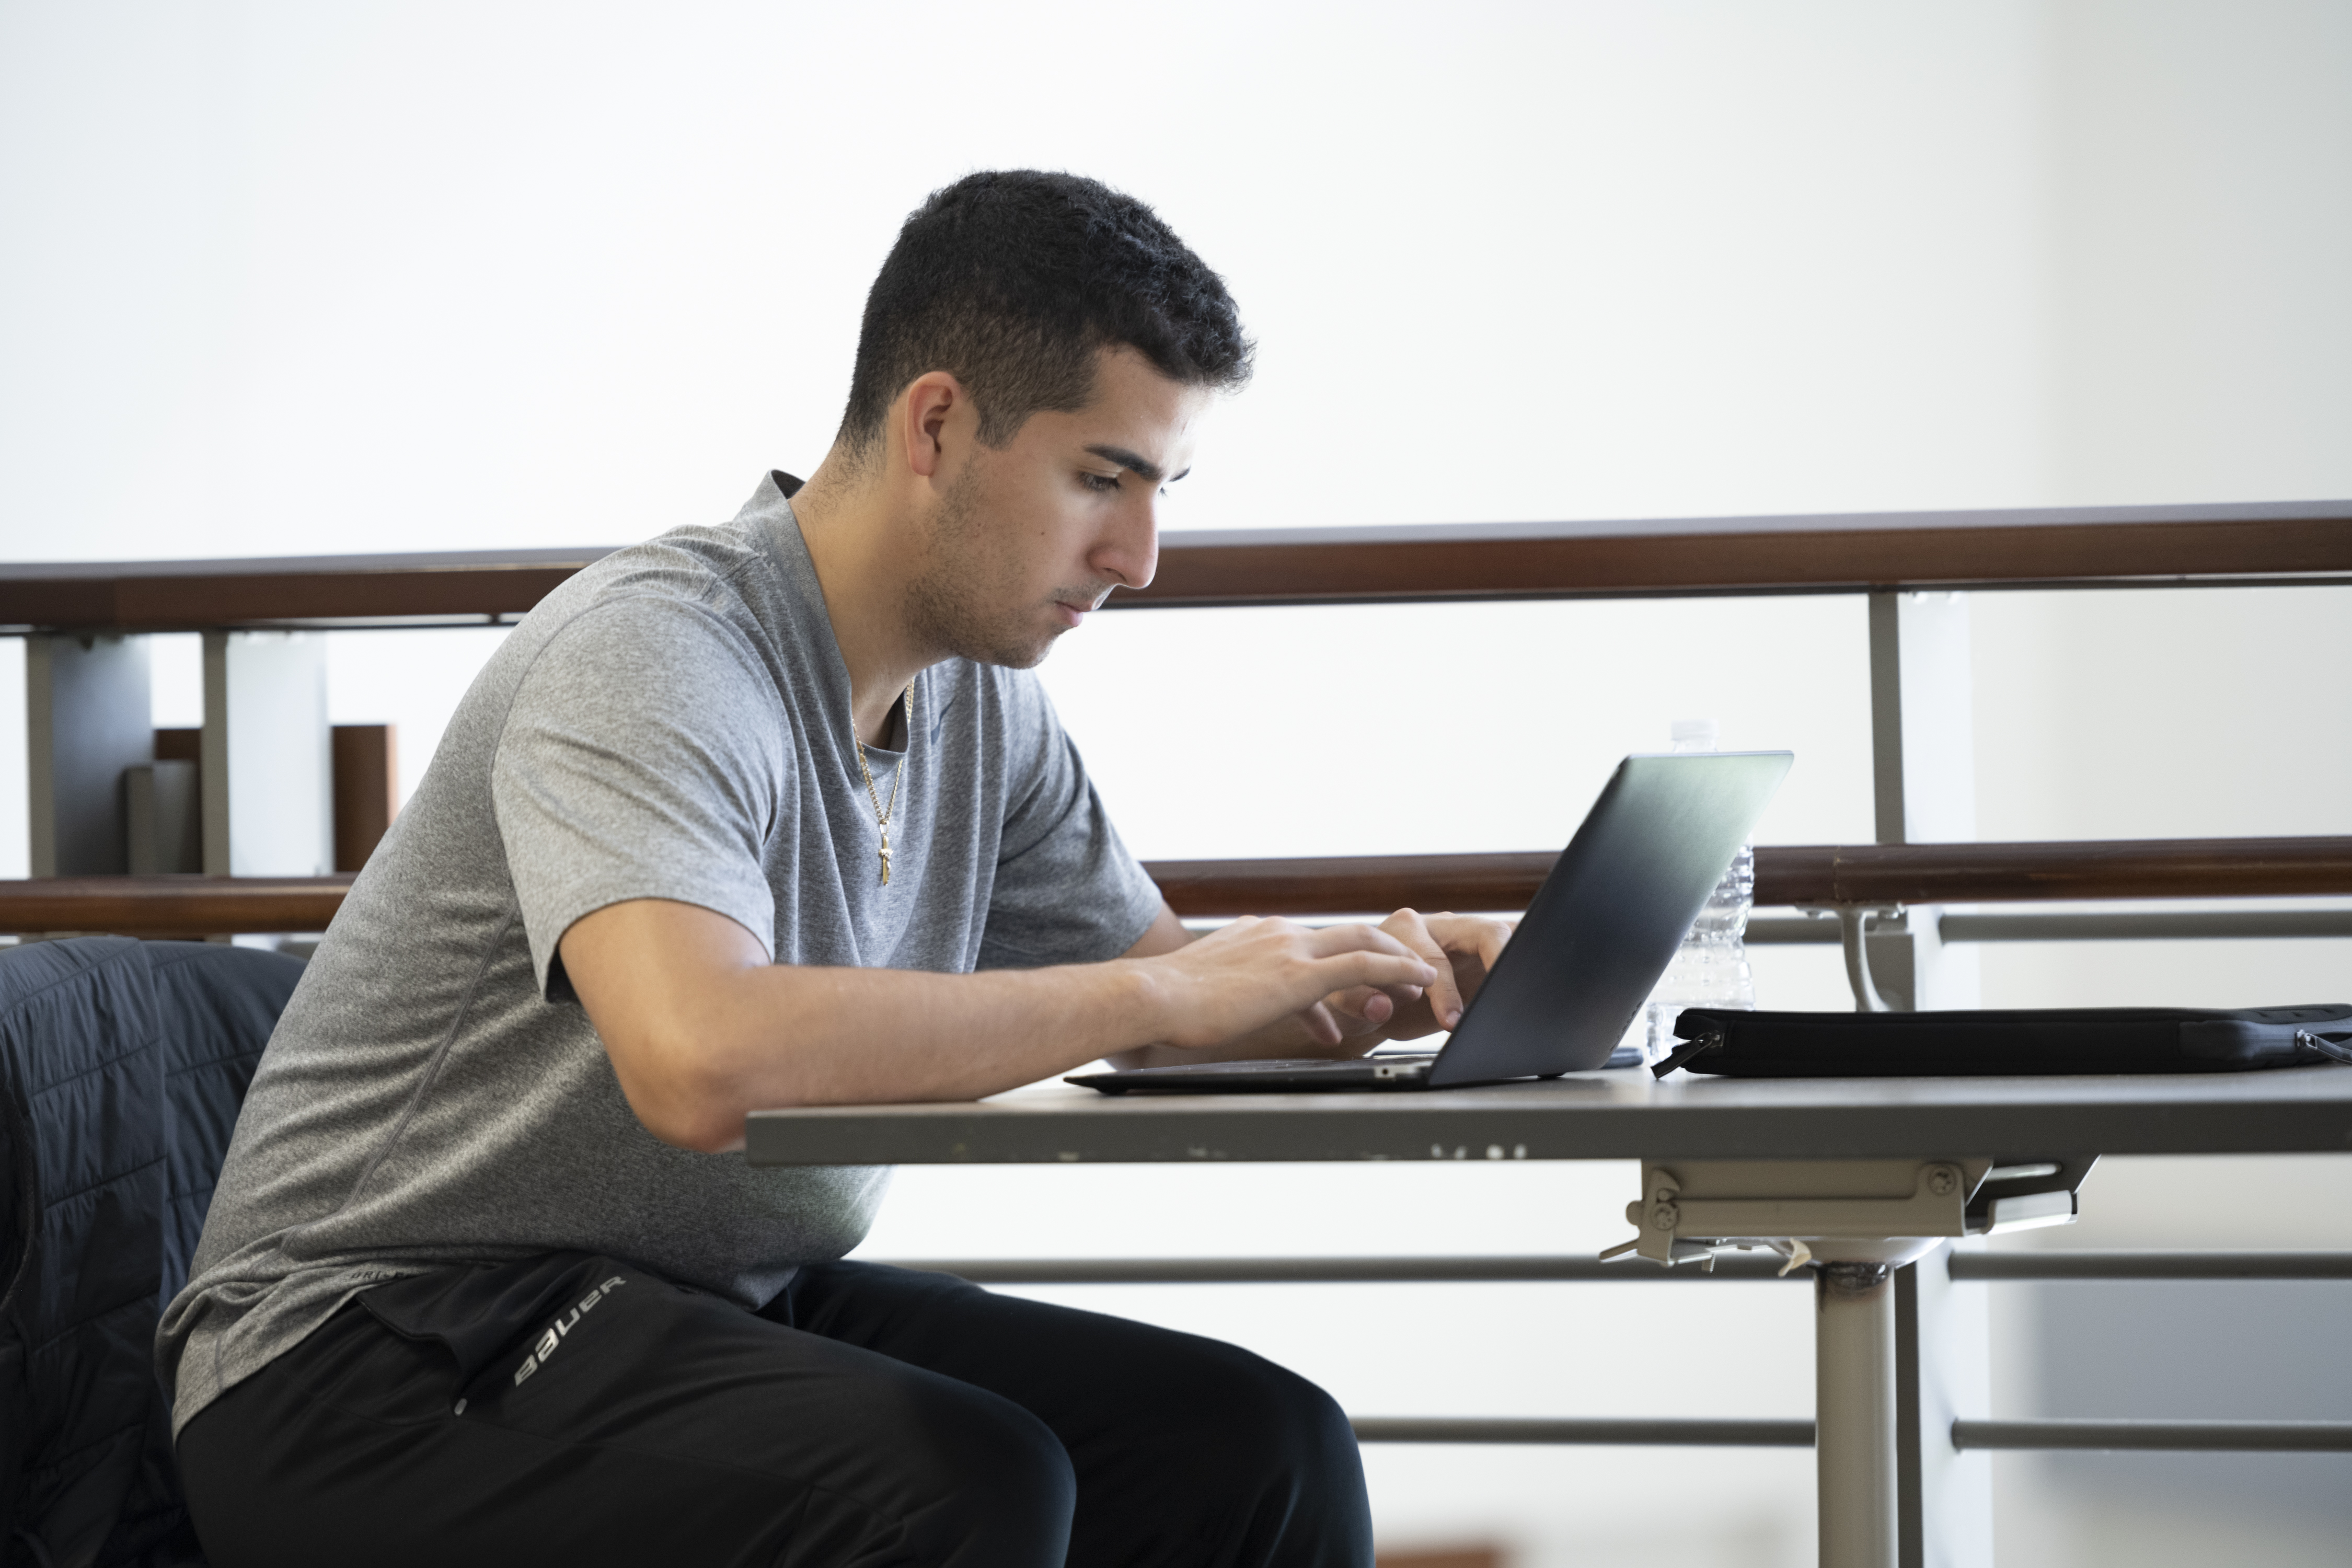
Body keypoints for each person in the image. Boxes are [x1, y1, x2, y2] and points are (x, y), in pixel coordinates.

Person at [162, 169, 1512, 1568]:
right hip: (372, 1358)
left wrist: (1378, 979)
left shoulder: (982, 704)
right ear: (936, 423)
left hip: (706, 1299)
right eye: (1099, 478)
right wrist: (1158, 1000)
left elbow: (1162, 988)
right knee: (956, 1483)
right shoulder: (659, 652)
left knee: (1254, 1448)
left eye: (1159, 489)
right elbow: (701, 1061)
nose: (1141, 555)